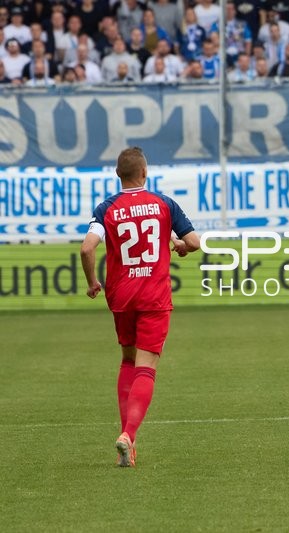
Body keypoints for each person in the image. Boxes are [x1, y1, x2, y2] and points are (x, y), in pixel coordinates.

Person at [80, 147, 200, 468]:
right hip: (153, 297)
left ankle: (127, 444)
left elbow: (87, 248)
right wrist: (179, 245)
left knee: (128, 361)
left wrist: (93, 282)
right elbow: (195, 242)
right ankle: (128, 435)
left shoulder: (106, 208)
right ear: (145, 173)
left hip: (121, 297)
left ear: (118, 175)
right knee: (147, 367)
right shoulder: (164, 204)